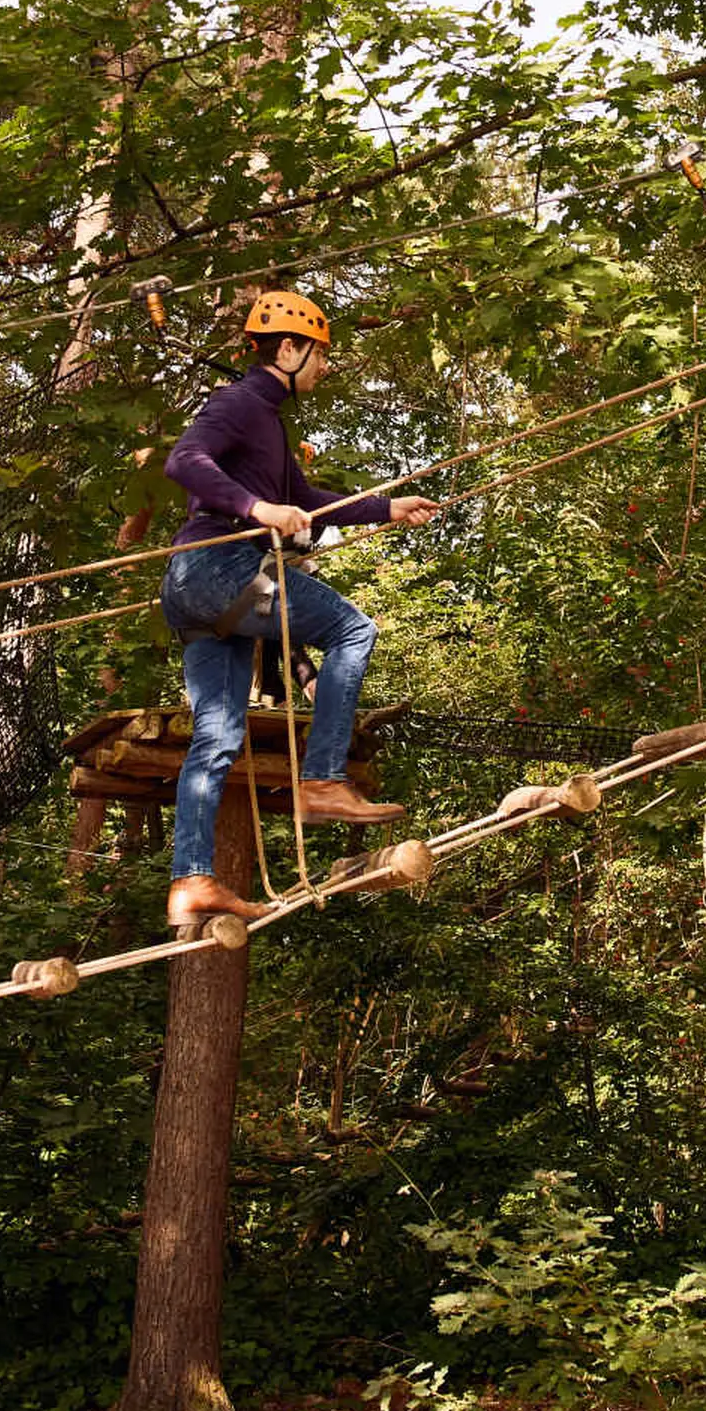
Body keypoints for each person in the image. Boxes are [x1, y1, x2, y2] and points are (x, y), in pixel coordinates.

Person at [155, 290, 441, 932]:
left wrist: (385, 507)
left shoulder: (269, 426)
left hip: (203, 595)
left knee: (219, 735)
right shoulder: (238, 403)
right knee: (352, 628)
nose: (323, 367)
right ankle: (322, 778)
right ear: (287, 348)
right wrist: (256, 512)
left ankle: (191, 882)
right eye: (318, 354)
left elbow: (302, 499)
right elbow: (184, 461)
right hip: (219, 571)